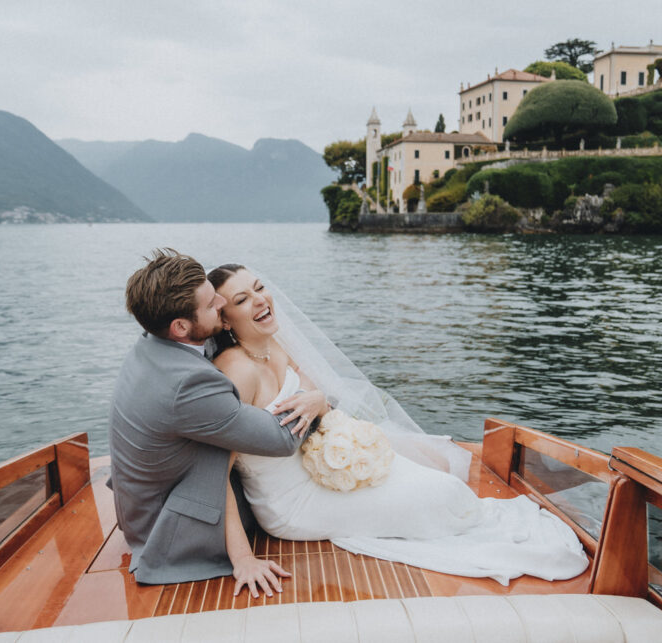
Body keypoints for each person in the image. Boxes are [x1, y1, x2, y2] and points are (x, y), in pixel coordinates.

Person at [209, 264, 590, 586]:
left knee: (442, 479)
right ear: (223, 319)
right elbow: (216, 471)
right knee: (443, 498)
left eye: (259, 288)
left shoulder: (273, 342)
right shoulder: (237, 373)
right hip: (292, 501)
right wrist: (242, 558)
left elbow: (313, 390)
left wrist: (318, 400)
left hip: (318, 468)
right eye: (242, 300)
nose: (260, 300)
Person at [107, 249, 329, 594]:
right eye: (212, 305)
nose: (223, 303)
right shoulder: (189, 384)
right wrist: (315, 397)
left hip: (142, 504)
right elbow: (280, 439)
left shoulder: (152, 343)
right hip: (173, 527)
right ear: (180, 327)